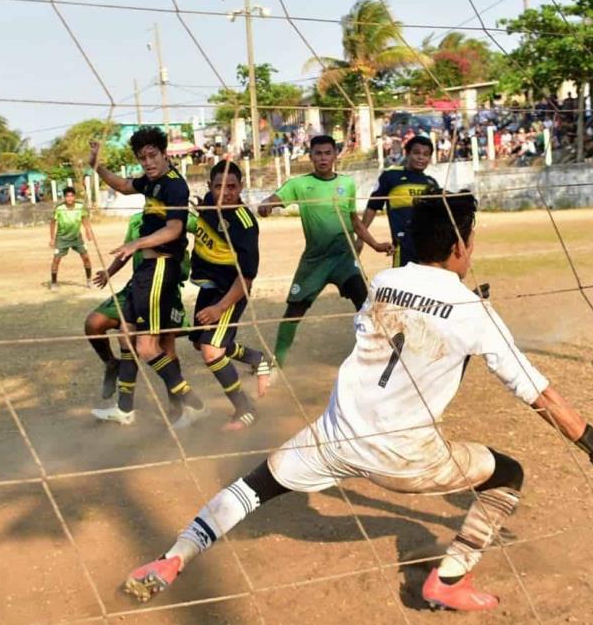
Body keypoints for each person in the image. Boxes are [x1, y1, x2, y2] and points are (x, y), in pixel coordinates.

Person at [122, 192, 593, 611]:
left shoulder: (384, 282)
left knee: (252, 486)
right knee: (507, 476)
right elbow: (536, 392)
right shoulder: (473, 312)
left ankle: (171, 560)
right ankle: (449, 579)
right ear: (460, 247)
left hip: (335, 436)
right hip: (403, 456)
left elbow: (401, 329)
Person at [89, 127, 202, 429]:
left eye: (153, 156)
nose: (148, 163)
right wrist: (97, 165)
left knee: (150, 348)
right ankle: (125, 409)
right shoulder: (151, 182)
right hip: (144, 271)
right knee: (127, 334)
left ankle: (190, 400)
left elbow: (175, 229)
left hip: (162, 268)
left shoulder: (174, 186)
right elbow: (124, 186)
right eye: (142, 158)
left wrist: (136, 243)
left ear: (165, 153)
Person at [257, 134, 390, 367]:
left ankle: (379, 356)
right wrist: (266, 205)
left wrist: (376, 245)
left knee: (366, 307)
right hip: (314, 262)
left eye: (327, 153)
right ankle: (277, 362)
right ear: (310, 156)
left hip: (344, 259)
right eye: (318, 153)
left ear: (335, 155)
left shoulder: (346, 184)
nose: (323, 158)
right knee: (293, 312)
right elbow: (274, 198)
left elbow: (354, 221)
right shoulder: (299, 184)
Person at [187, 160, 273, 430]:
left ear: (242, 186)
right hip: (209, 287)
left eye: (232, 187)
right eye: (218, 187)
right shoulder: (208, 206)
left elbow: (246, 279)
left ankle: (245, 409)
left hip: (230, 291)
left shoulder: (244, 224)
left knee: (212, 351)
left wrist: (220, 308)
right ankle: (256, 359)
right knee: (200, 343)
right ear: (209, 186)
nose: (225, 193)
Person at [359, 135, 442, 268]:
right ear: (407, 153)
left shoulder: (431, 183)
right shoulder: (390, 176)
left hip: (429, 247)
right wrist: (361, 238)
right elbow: (372, 207)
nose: (421, 157)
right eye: (416, 153)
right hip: (403, 247)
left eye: (426, 154)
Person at [48, 187, 94, 290]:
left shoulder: (80, 206)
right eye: (67, 196)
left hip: (76, 237)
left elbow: (84, 219)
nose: (69, 198)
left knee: (86, 257)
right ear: (64, 197)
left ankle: (89, 281)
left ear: (74, 197)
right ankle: (54, 283)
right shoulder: (59, 208)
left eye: (71, 196)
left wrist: (88, 231)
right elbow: (52, 223)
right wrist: (52, 239)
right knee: (56, 259)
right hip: (62, 238)